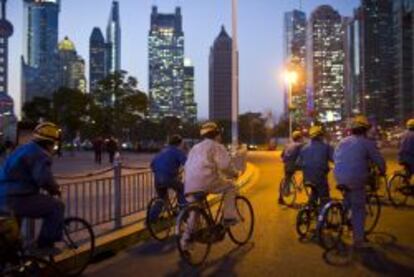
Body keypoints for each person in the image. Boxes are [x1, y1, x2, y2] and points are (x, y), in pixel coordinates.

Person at [0, 122, 64, 253]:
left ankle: (12, 261)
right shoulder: (41, 154)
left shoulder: (22, 148)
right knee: (57, 207)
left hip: (3, 196)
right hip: (18, 197)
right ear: (49, 142)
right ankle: (44, 245)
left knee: (11, 236)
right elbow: (43, 179)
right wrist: (55, 189)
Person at [181, 122, 240, 250]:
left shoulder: (195, 148)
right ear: (217, 134)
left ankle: (186, 242)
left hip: (189, 184)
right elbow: (225, 166)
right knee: (231, 187)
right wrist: (234, 173)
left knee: (195, 211)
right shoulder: (216, 146)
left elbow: (188, 165)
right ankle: (229, 217)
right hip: (207, 181)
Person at [334, 115, 386, 249]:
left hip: (339, 176)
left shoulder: (342, 142)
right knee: (358, 208)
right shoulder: (367, 142)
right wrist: (382, 170)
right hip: (356, 179)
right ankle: (358, 240)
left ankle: (345, 220)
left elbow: (336, 158)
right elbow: (378, 160)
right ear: (364, 130)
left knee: (348, 197)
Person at [149, 135, 187, 220]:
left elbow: (152, 165)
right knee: (183, 189)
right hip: (168, 178)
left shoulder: (162, 151)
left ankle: (151, 218)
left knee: (162, 198)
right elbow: (187, 164)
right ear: (179, 143)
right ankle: (183, 212)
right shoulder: (178, 152)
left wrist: (160, 172)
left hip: (157, 179)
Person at [296, 125, 333, 205]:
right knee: (324, 198)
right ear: (320, 136)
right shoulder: (326, 147)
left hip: (307, 179)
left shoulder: (304, 148)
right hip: (320, 178)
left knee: (314, 190)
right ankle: (322, 215)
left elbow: (298, 163)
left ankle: (310, 208)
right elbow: (334, 159)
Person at [279, 130, 303, 205]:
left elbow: (282, 155)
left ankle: (280, 198)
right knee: (307, 169)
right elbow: (303, 154)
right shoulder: (299, 145)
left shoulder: (287, 145)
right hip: (294, 165)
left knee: (287, 179)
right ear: (299, 138)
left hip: (286, 165)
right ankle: (301, 184)